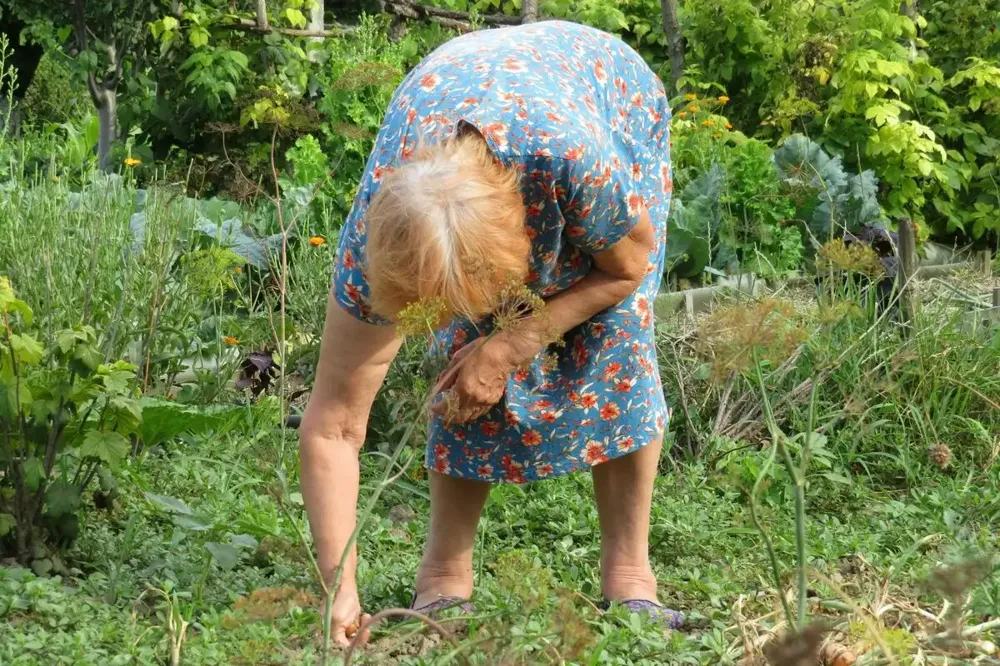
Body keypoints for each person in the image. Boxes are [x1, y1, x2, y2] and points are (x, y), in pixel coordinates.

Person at [299, 19, 681, 647]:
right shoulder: (379, 238)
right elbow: (334, 425)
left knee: (616, 332)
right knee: (464, 361)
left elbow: (628, 268)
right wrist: (338, 593)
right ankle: (444, 574)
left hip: (601, 89)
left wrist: (512, 342)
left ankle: (630, 577)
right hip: (463, 90)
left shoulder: (576, 163)